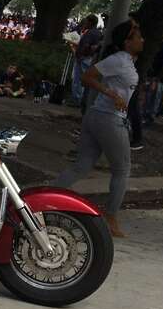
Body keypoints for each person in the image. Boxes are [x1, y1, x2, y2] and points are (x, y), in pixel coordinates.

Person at [54, 19, 144, 237]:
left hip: (98, 117)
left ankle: (48, 196)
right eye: (138, 37)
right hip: (109, 119)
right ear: (127, 41)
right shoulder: (119, 60)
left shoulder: (126, 61)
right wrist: (112, 94)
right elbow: (87, 77)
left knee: (81, 166)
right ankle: (110, 214)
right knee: (122, 169)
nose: (142, 40)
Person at [70, 15, 101, 105]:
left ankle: (77, 100)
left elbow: (86, 46)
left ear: (90, 22)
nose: (85, 23)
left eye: (86, 21)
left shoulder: (90, 33)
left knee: (79, 80)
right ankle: (81, 100)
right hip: (89, 58)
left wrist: (80, 55)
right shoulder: (98, 33)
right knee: (84, 80)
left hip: (83, 58)